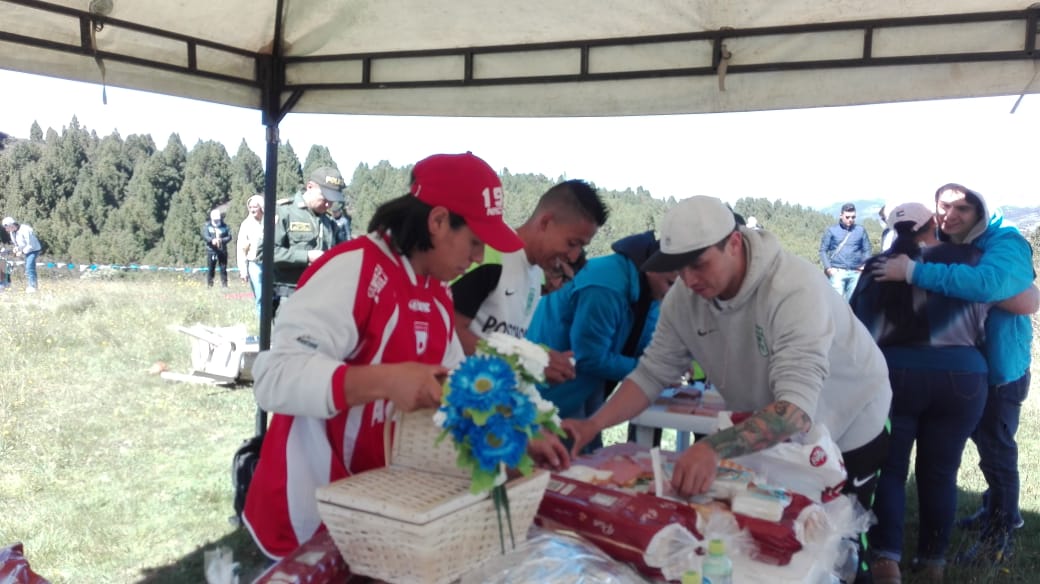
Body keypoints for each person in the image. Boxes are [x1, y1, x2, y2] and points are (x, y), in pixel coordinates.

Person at [242, 152, 571, 561]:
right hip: (308, 516)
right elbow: (273, 377)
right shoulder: (356, 269)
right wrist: (385, 380)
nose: (477, 257)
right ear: (436, 222)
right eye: (473, 242)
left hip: (378, 514)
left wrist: (515, 431)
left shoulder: (436, 291)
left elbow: (453, 382)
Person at [564, 196, 892, 584]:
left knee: (839, 546)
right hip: (770, 428)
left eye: (699, 264)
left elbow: (795, 411)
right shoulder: (686, 298)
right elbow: (651, 373)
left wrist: (710, 448)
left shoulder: (793, 288)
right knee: (768, 540)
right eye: (677, 269)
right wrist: (593, 424)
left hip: (850, 418)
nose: (688, 280)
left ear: (734, 243)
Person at [850, 202, 1038, 583]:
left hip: (895, 375)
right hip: (962, 378)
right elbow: (1019, 300)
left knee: (891, 470)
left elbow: (856, 328)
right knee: (940, 473)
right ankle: (934, 561)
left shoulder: (875, 268)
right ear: (932, 224)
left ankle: (887, 560)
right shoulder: (972, 258)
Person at [527, 231, 675, 450]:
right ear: (652, 268)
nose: (672, 293)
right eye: (670, 283)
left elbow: (644, 346)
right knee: (562, 456)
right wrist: (651, 370)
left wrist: (665, 361)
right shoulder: (605, 287)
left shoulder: (652, 290)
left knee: (588, 453)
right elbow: (590, 357)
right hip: (553, 386)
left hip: (589, 383)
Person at [451, 179, 609, 383]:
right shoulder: (491, 256)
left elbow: (502, 339)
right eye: (572, 243)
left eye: (581, 247)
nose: (573, 256)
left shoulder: (535, 274)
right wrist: (527, 361)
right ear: (545, 222)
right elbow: (450, 332)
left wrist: (539, 359)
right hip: (449, 396)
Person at [262, 166, 348, 311]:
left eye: (332, 200)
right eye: (325, 198)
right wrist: (306, 256)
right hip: (290, 298)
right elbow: (267, 253)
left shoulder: (328, 222)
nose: (328, 204)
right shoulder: (284, 212)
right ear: (310, 187)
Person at [819, 203, 872, 301]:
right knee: (836, 303)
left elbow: (867, 249)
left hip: (855, 272)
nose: (850, 219)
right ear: (841, 215)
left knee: (853, 304)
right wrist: (828, 268)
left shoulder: (860, 230)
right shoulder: (832, 230)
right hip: (837, 272)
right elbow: (822, 250)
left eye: (853, 217)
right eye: (847, 217)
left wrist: (864, 266)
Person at [237, 194, 265, 314]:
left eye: (255, 206)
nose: (253, 209)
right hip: (255, 264)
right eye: (250, 207)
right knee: (260, 296)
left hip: (272, 264)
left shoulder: (272, 220)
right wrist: (243, 270)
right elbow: (241, 248)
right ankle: (262, 326)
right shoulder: (246, 225)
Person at [2, 217, 42, 293]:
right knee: (27, 267)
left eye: (6, 227)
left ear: (11, 225)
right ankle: (32, 285)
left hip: (34, 250)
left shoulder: (26, 230)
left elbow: (31, 245)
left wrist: (22, 252)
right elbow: (16, 244)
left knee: (29, 266)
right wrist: (16, 249)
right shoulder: (12, 232)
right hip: (25, 250)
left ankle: (32, 286)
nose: (6, 230)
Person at [202, 209, 232, 288]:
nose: (216, 221)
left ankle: (224, 285)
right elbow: (205, 236)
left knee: (223, 268)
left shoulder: (225, 226)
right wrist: (212, 240)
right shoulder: (207, 226)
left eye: (217, 219)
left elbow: (229, 237)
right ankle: (210, 285)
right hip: (211, 251)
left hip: (222, 251)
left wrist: (221, 240)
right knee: (211, 269)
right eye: (214, 219)